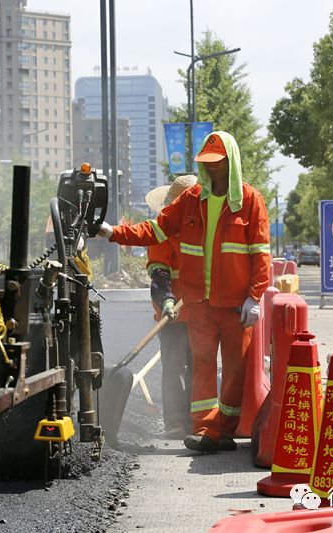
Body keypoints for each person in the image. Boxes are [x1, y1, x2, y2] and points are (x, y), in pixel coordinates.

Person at [97, 131, 271, 452]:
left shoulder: (250, 201)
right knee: (199, 367)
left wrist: (254, 296)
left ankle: (222, 431)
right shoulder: (189, 203)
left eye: (218, 163)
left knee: (233, 370)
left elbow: (260, 253)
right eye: (208, 164)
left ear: (231, 163)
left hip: (234, 306)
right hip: (198, 305)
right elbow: (154, 233)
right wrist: (113, 232)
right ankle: (201, 429)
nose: (213, 169)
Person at [141, 176, 196, 439]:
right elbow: (159, 275)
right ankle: (175, 423)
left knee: (201, 368)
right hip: (172, 315)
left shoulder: (207, 231)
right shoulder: (161, 233)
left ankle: (198, 422)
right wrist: (167, 301)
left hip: (202, 313)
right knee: (174, 368)